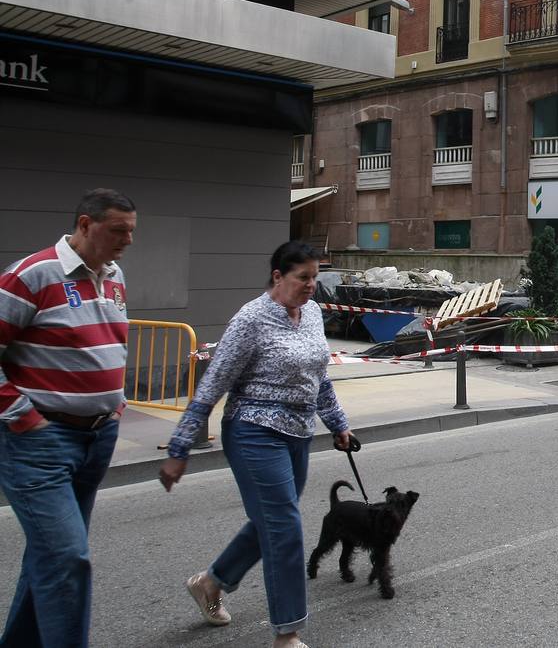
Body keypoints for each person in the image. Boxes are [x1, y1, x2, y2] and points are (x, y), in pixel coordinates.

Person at [159, 241, 353, 648]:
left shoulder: (313, 313)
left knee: (272, 520)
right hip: (253, 431)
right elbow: (213, 382)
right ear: (278, 276)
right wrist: (180, 447)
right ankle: (288, 634)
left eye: (315, 277)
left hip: (298, 433)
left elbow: (319, 376)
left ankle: (210, 583)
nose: (311, 285)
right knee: (284, 528)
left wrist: (338, 425)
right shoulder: (250, 319)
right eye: (303, 277)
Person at [0, 187, 137, 648]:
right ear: (84, 225)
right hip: (41, 440)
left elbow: (110, 342)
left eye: (132, 231)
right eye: (118, 231)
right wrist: (22, 416)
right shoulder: (32, 275)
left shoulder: (115, 275)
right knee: (66, 559)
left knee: (51, 558)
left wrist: (114, 404)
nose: (128, 241)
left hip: (97, 437)